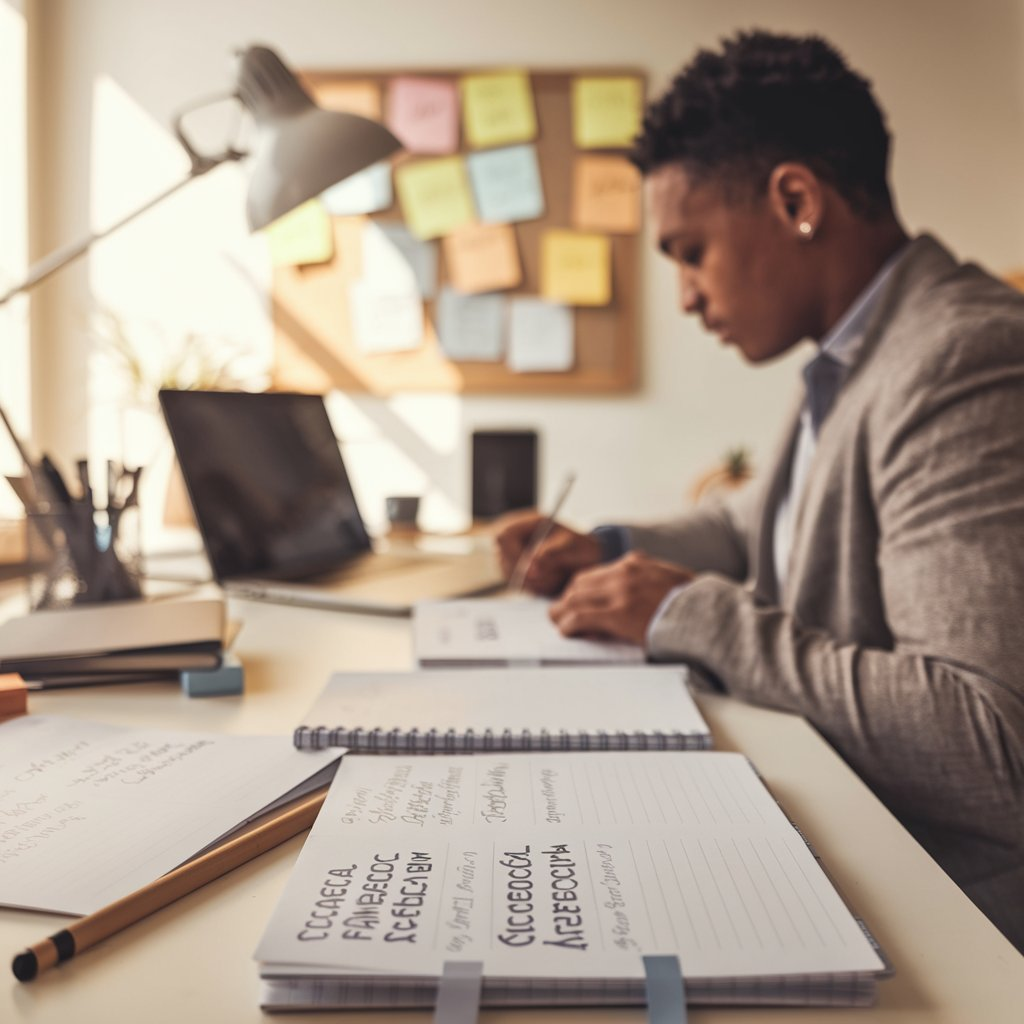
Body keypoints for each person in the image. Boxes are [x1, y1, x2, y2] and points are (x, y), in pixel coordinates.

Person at [495, 30, 1024, 951]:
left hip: (941, 917)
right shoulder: (855, 350)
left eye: (690, 251)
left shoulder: (960, 357)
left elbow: (988, 746)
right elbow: (762, 523)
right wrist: (610, 547)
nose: (687, 297)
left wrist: (694, 615)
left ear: (794, 199)